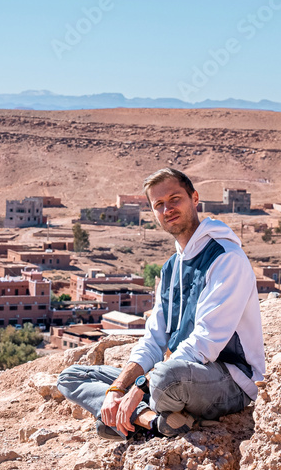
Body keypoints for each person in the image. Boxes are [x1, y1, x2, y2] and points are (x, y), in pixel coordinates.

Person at [57, 167, 265, 439]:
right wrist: (118, 390)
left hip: (229, 380)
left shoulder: (226, 258)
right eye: (159, 205)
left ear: (195, 198)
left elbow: (206, 342)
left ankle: (133, 419)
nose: (168, 209)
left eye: (175, 199)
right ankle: (153, 420)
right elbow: (154, 339)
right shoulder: (170, 267)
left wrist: (140, 388)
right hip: (179, 373)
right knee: (71, 377)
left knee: (166, 378)